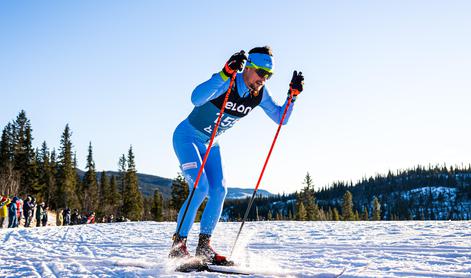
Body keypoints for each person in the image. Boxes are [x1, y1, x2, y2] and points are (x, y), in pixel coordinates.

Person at [169, 46, 304, 265]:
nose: (264, 79)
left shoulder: (259, 95)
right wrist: (224, 72)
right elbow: (195, 98)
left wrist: (292, 97)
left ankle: (204, 247)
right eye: (261, 72)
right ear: (248, 67)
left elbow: (281, 118)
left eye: (269, 75)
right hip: (187, 137)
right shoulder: (227, 81)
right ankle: (178, 247)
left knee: (219, 190)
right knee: (200, 187)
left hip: (211, 144)